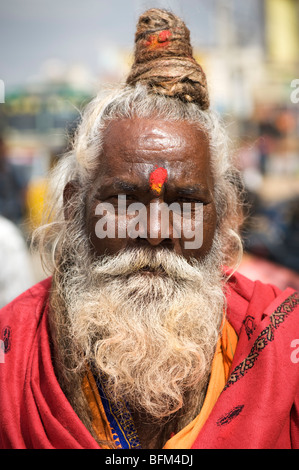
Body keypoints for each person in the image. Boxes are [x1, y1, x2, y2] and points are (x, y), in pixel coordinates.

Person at [0, 9, 298, 450]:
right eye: (123, 201)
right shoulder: (14, 357)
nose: (155, 231)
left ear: (224, 216)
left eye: (186, 203)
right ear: (74, 207)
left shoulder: (283, 345)